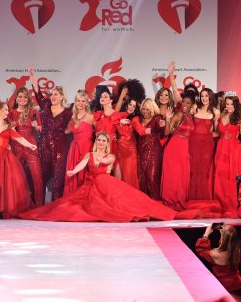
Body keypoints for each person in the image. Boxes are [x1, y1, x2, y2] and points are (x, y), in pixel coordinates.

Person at [19, 132, 182, 222]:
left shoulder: (110, 155)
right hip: (90, 185)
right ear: (96, 141)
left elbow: (106, 161)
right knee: (68, 206)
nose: (102, 142)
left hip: (106, 183)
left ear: (107, 143)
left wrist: (99, 158)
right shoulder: (89, 154)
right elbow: (82, 165)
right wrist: (73, 172)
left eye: (104, 140)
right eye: (100, 140)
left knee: (122, 202)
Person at [0, 102, 37, 218]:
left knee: (7, 183)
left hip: (7, 158)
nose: (8, 113)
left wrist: (30, 145)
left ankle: (6, 209)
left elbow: (19, 138)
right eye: (6, 110)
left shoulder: (8, 126)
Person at [30, 67, 72, 201]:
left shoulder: (67, 112)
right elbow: (38, 94)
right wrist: (33, 77)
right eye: (52, 94)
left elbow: (75, 125)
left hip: (60, 148)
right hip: (44, 146)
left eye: (56, 94)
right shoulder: (47, 105)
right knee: (41, 177)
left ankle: (56, 207)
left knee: (58, 179)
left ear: (61, 97)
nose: (53, 96)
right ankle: (38, 205)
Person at [8, 87, 44, 205]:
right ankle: (19, 204)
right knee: (17, 176)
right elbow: (7, 132)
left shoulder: (34, 112)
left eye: (24, 97)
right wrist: (11, 126)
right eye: (20, 97)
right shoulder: (11, 113)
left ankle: (39, 204)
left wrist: (36, 126)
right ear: (16, 99)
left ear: (28, 99)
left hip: (31, 144)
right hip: (16, 145)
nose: (22, 99)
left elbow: (41, 129)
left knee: (37, 176)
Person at [161, 93, 195, 211]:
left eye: (188, 103)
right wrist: (168, 119)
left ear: (192, 105)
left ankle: (180, 199)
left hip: (185, 148)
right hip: (174, 147)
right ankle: (171, 199)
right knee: (173, 174)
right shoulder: (178, 115)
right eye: (183, 102)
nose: (184, 105)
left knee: (182, 175)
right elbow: (166, 133)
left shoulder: (190, 117)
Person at [213, 93, 241, 217]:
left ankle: (232, 204)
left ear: (236, 105)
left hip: (233, 149)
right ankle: (221, 204)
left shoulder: (239, 117)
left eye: (232, 104)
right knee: (220, 176)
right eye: (227, 104)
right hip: (221, 148)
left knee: (232, 176)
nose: (230, 106)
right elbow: (217, 132)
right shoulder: (222, 115)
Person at [189, 88, 219, 200]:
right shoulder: (195, 108)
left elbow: (217, 131)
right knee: (193, 169)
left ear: (210, 97)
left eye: (206, 96)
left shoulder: (216, 112)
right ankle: (192, 197)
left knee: (204, 170)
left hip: (207, 144)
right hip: (193, 142)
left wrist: (207, 136)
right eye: (202, 96)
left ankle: (202, 198)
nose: (204, 98)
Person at [195, 224, 241, 292]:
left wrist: (206, 234)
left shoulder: (216, 254)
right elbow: (229, 239)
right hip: (236, 284)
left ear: (223, 238)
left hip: (222, 286)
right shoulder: (237, 250)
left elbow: (201, 249)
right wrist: (224, 229)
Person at [64, 90, 94, 195]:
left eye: (83, 101)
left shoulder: (91, 116)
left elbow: (101, 129)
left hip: (86, 147)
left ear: (86, 103)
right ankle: (73, 198)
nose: (80, 103)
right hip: (74, 149)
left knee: (84, 173)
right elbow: (65, 131)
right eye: (78, 101)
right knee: (73, 174)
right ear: (75, 102)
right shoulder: (72, 117)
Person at [116, 97, 148, 188]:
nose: (131, 107)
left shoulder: (134, 119)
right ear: (126, 104)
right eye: (130, 104)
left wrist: (145, 131)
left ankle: (131, 199)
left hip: (129, 151)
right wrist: (119, 122)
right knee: (118, 178)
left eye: (134, 106)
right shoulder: (117, 116)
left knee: (129, 178)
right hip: (118, 150)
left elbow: (139, 128)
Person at [137, 99, 164, 200]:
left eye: (147, 109)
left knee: (152, 178)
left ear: (152, 109)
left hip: (154, 152)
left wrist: (162, 125)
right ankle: (144, 204)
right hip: (141, 152)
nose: (145, 111)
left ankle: (156, 204)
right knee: (141, 179)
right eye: (143, 109)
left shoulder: (157, 118)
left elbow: (162, 131)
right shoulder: (139, 119)